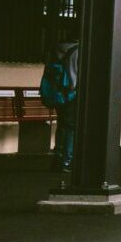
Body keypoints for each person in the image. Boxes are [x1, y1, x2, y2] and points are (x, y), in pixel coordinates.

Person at [40, 39, 80, 176]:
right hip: (71, 94)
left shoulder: (55, 49)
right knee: (71, 128)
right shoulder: (77, 50)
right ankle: (67, 161)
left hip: (57, 94)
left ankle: (57, 158)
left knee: (62, 125)